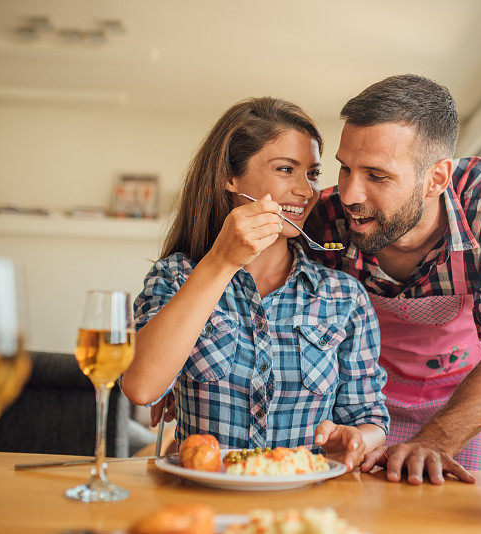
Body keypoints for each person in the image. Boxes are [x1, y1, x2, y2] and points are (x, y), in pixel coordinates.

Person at [121, 97, 389, 471]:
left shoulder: (342, 296)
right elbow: (141, 387)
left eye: (312, 173)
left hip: (301, 509)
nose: (306, 190)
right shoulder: (177, 276)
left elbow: (369, 416)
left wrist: (359, 437)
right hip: (202, 500)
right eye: (285, 169)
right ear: (230, 177)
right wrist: (221, 262)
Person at [309, 74, 481, 484]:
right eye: (345, 169)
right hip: (363, 409)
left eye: (376, 176)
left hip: (467, 403)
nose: (348, 194)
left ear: (437, 179)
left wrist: (434, 442)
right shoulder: (327, 219)